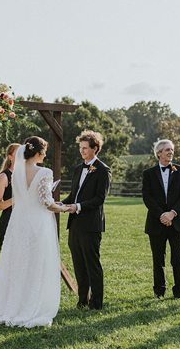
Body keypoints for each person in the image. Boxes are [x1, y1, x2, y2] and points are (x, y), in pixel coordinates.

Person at [0, 136, 69, 327]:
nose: (45, 155)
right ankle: (32, 306)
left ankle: (13, 305)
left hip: (19, 223)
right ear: (39, 153)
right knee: (37, 264)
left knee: (18, 265)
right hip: (38, 224)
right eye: (45, 151)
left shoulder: (15, 174)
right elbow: (46, 203)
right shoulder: (45, 172)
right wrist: (63, 208)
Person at [63, 130, 111, 310]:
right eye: (80, 147)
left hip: (91, 225)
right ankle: (82, 300)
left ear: (95, 148)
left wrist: (78, 207)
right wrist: (61, 203)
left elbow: (100, 199)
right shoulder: (78, 168)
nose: (81, 151)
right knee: (78, 263)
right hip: (74, 224)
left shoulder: (103, 170)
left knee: (92, 264)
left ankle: (96, 302)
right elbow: (74, 195)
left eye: (85, 148)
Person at [142, 139, 180, 299]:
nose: (170, 152)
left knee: (177, 258)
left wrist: (172, 213)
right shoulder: (148, 174)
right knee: (158, 259)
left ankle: (179, 290)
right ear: (159, 153)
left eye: (172, 150)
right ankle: (159, 291)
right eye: (167, 149)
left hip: (177, 222)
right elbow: (147, 197)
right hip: (156, 222)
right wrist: (161, 214)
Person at [0, 143, 20, 249]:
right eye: (18, 154)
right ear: (10, 157)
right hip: (9, 221)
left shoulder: (26, 175)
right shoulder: (4, 176)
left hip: (24, 221)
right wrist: (15, 199)